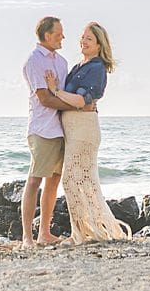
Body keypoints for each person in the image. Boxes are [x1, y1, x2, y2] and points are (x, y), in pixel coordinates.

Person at [41, 22, 130, 244]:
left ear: (100, 44)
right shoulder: (80, 66)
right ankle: (88, 230)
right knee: (81, 181)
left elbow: (81, 101)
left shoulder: (97, 68)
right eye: (82, 37)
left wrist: (55, 91)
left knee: (73, 179)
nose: (83, 41)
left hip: (84, 130)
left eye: (89, 38)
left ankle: (83, 232)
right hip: (73, 130)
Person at [20, 15, 69, 248]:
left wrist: (60, 95)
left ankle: (44, 234)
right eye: (59, 33)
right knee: (34, 180)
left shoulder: (61, 62)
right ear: (47, 35)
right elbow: (45, 99)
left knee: (54, 182)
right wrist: (76, 104)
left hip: (61, 129)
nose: (63, 37)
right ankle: (27, 237)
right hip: (42, 129)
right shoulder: (34, 61)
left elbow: (58, 94)